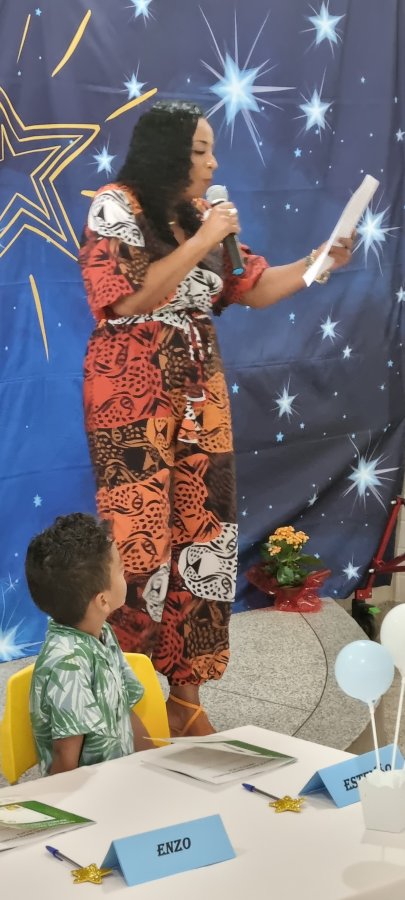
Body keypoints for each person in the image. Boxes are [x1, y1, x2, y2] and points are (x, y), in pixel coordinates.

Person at [78, 100, 353, 738]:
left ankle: (186, 697)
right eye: (200, 150)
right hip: (131, 395)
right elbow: (124, 299)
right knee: (138, 543)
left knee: (206, 540)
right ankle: (126, 698)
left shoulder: (202, 214)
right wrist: (201, 241)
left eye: (210, 150)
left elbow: (252, 287)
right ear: (168, 153)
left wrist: (318, 263)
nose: (212, 163)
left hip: (201, 396)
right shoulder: (116, 207)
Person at [26, 513, 152, 775]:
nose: (127, 573)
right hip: (88, 791)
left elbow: (124, 710)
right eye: (121, 570)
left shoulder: (102, 632)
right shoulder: (68, 664)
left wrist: (157, 765)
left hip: (120, 778)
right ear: (103, 601)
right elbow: (65, 760)